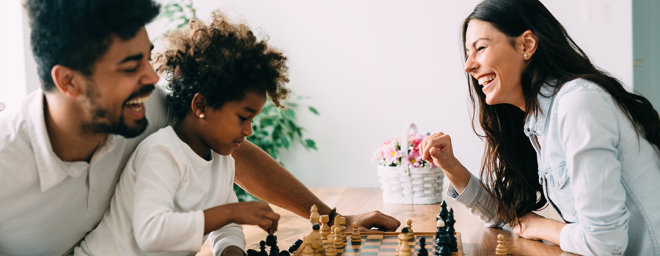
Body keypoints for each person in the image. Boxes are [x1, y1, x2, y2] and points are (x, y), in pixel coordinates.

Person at [0, 0, 399, 255]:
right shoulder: (6, 162)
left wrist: (332, 220)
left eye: (148, 59)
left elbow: (230, 155)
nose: (152, 79)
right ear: (68, 82)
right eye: (129, 67)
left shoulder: (146, 109)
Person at [419, 0, 660, 255]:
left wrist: (542, 227)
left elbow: (605, 243)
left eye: (480, 48)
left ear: (527, 45)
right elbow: (511, 218)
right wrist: (450, 165)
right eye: (468, 52)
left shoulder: (577, 104)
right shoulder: (537, 120)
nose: (468, 65)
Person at [74, 12, 286, 256]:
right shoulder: (162, 152)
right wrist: (234, 212)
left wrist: (232, 249)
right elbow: (151, 233)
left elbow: (226, 228)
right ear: (201, 106)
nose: (248, 130)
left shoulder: (222, 161)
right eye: (242, 117)